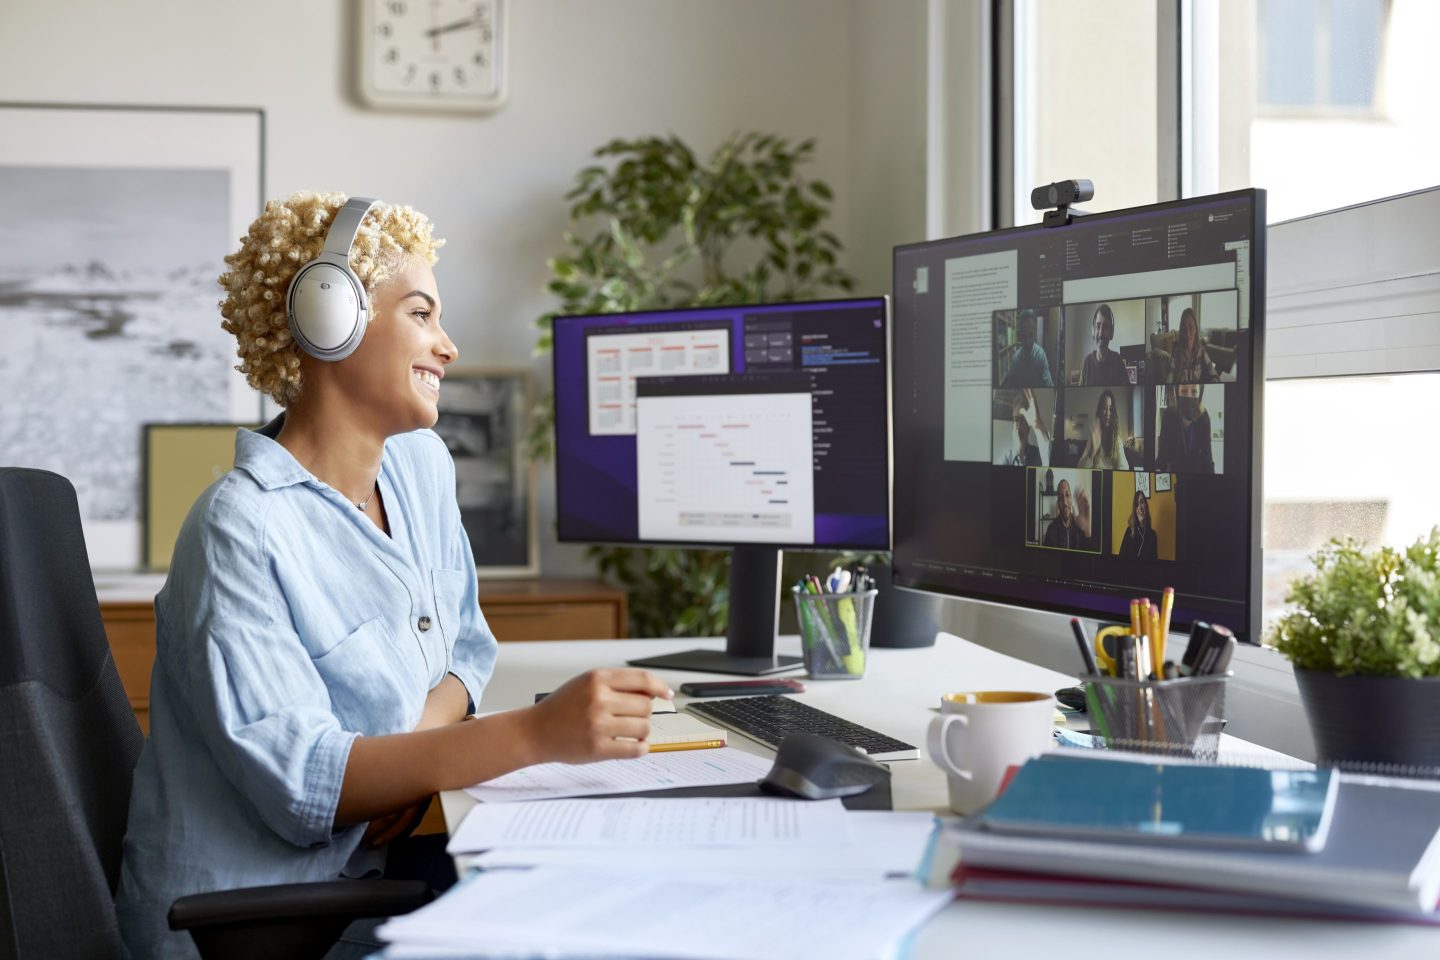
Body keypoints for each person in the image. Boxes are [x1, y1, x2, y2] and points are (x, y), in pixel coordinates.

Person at [115, 193, 671, 959]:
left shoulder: (419, 466)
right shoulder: (239, 529)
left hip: (363, 877)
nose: (447, 346)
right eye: (422, 314)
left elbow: (467, 648)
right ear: (328, 317)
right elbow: (307, 785)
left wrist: (400, 768)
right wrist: (538, 734)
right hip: (257, 924)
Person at [1156, 382, 1215, 473]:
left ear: (1200, 394)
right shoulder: (1168, 415)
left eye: (1194, 391)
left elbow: (1207, 458)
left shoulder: (1204, 418)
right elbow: (1162, 456)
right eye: (1183, 391)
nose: (1189, 396)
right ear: (1177, 393)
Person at [999, 310, 1054, 388]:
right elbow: (1010, 386)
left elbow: (1049, 385)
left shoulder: (1041, 355)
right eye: (1024, 337)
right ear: (1020, 336)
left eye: (1030, 335)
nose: (1028, 343)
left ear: (1034, 333)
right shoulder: (1015, 359)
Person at [1002, 387, 1052, 467]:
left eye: (1023, 420)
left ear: (1029, 428)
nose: (1019, 426)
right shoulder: (1007, 458)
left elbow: (1050, 464)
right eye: (1016, 420)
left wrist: (1038, 426)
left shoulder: (1038, 454)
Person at [1077, 388, 1125, 469]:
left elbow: (1124, 467)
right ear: (1100, 411)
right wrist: (1092, 452)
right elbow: (1079, 468)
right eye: (1104, 408)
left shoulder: (1117, 439)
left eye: (1111, 409)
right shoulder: (1093, 437)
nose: (1108, 414)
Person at [1080, 303, 1126, 386]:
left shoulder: (1118, 361)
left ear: (1111, 332)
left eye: (1105, 327)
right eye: (1098, 326)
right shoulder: (1087, 363)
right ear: (1093, 331)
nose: (1101, 334)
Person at [1043, 478, 1093, 550]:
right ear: (1058, 501)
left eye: (1067, 494)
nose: (1065, 502)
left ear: (1071, 498)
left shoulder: (1079, 526)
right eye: (1060, 497)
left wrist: (1087, 531)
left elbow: (1089, 559)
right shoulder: (1051, 529)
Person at [1170, 307, 1217, 384]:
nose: (1187, 334)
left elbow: (1213, 372)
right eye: (1184, 329)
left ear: (1196, 329)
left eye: (1191, 327)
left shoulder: (1202, 352)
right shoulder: (1176, 353)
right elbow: (1169, 378)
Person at [1118, 489, 1159, 559]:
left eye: (1142, 502)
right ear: (1135, 509)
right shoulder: (1129, 531)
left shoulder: (1153, 535)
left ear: (1146, 506)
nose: (1140, 507)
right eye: (1137, 504)